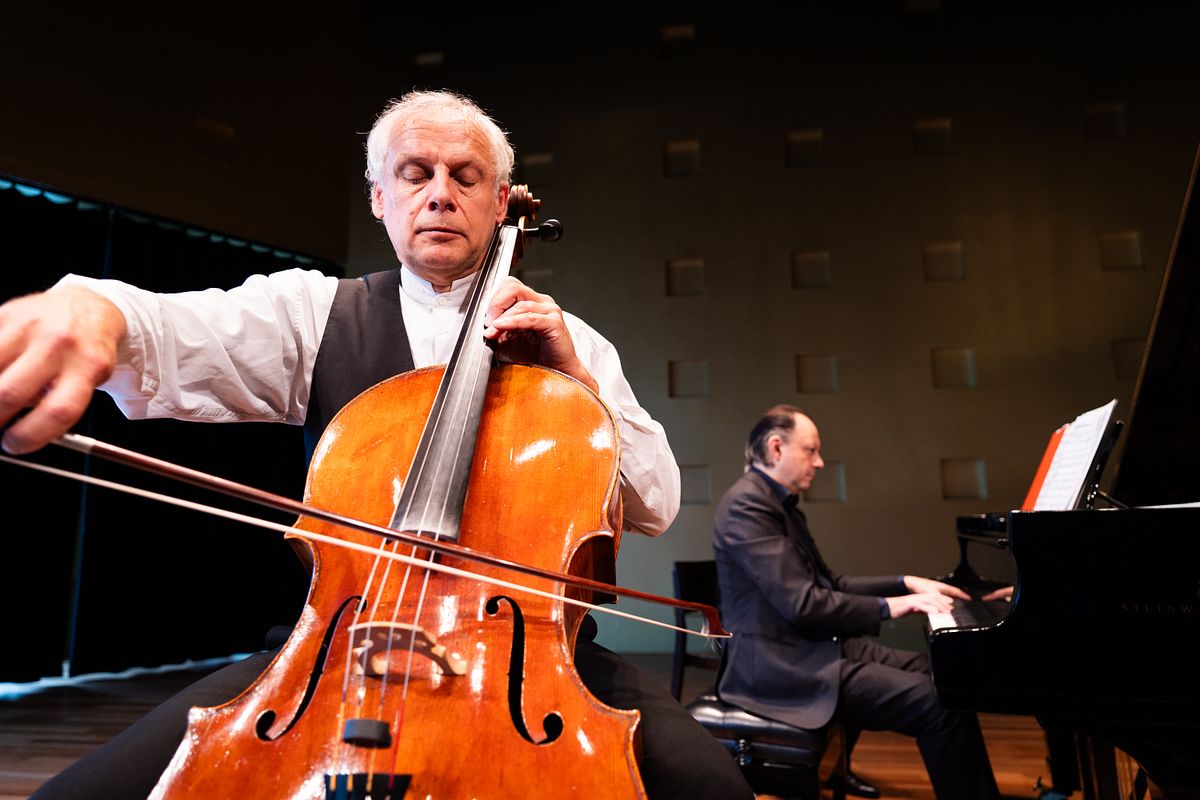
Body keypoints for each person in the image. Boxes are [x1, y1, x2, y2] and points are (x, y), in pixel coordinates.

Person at [0, 90, 754, 800]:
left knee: (709, 784)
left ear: (500, 204)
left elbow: (655, 504)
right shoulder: (316, 313)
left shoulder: (572, 341)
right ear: (379, 198)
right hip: (338, 646)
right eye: (414, 174)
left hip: (536, 657)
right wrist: (96, 310)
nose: (439, 194)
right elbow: (172, 331)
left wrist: (576, 381)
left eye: (465, 177)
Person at [713, 404, 1004, 800]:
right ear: (776, 448)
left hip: (813, 648)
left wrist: (905, 584)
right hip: (781, 666)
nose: (820, 462)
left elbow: (831, 583)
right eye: (811, 450)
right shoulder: (746, 506)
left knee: (944, 673)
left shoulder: (779, 505)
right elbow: (803, 604)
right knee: (939, 704)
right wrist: (894, 606)